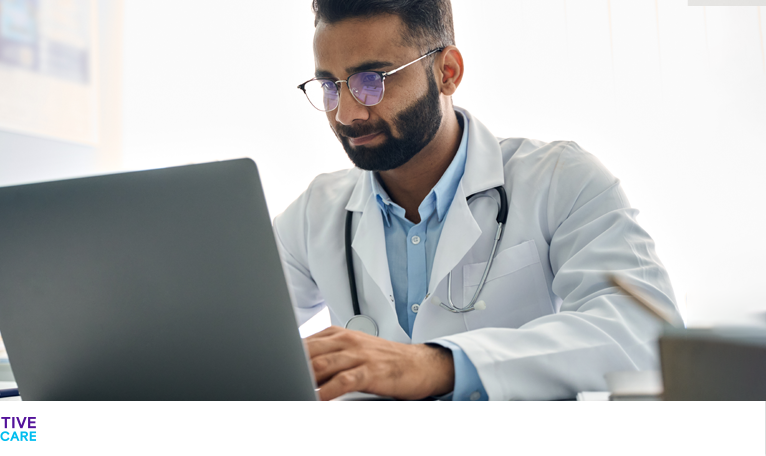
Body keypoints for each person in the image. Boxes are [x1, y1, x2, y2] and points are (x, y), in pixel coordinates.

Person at [273, 0, 679, 401]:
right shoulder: (316, 213)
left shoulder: (560, 180)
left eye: (371, 80)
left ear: (447, 73)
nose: (346, 114)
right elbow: (226, 334)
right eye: (330, 86)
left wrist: (437, 365)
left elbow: (644, 335)